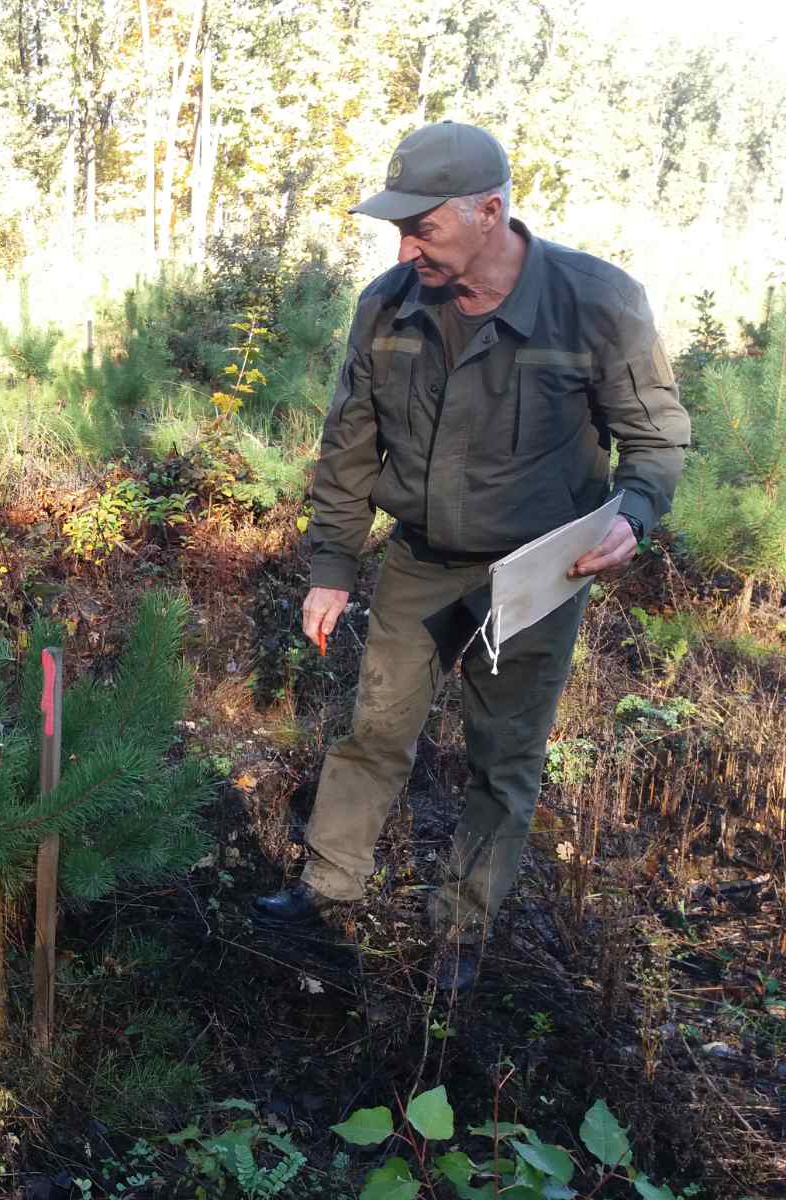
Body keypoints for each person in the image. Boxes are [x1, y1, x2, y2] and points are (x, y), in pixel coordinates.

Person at [253, 123, 688, 992]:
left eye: (424, 228)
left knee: (504, 756)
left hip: (539, 573)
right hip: (419, 560)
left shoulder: (598, 302)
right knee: (376, 729)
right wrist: (333, 567)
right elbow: (347, 449)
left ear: (490, 212)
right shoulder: (387, 305)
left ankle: (461, 928)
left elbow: (655, 434)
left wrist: (635, 513)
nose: (406, 246)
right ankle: (329, 885)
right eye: (398, 229)